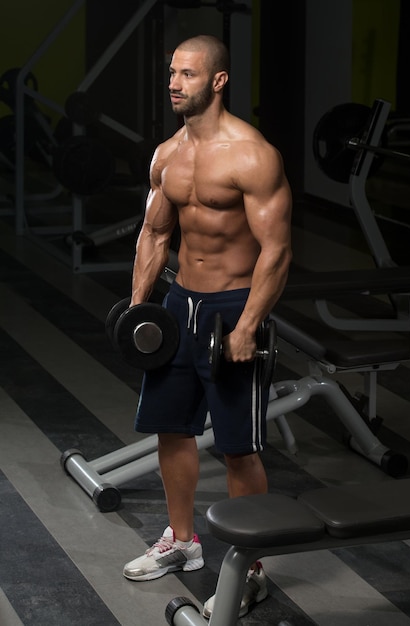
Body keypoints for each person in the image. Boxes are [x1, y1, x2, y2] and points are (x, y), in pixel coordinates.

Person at [123, 34, 292, 619]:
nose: (174, 82)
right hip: (179, 307)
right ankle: (182, 540)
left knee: (238, 448)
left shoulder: (251, 154)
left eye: (188, 74)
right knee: (171, 429)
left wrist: (249, 327)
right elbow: (155, 234)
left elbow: (277, 250)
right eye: (172, 73)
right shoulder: (167, 154)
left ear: (218, 81)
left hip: (233, 310)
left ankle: (251, 567)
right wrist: (138, 308)